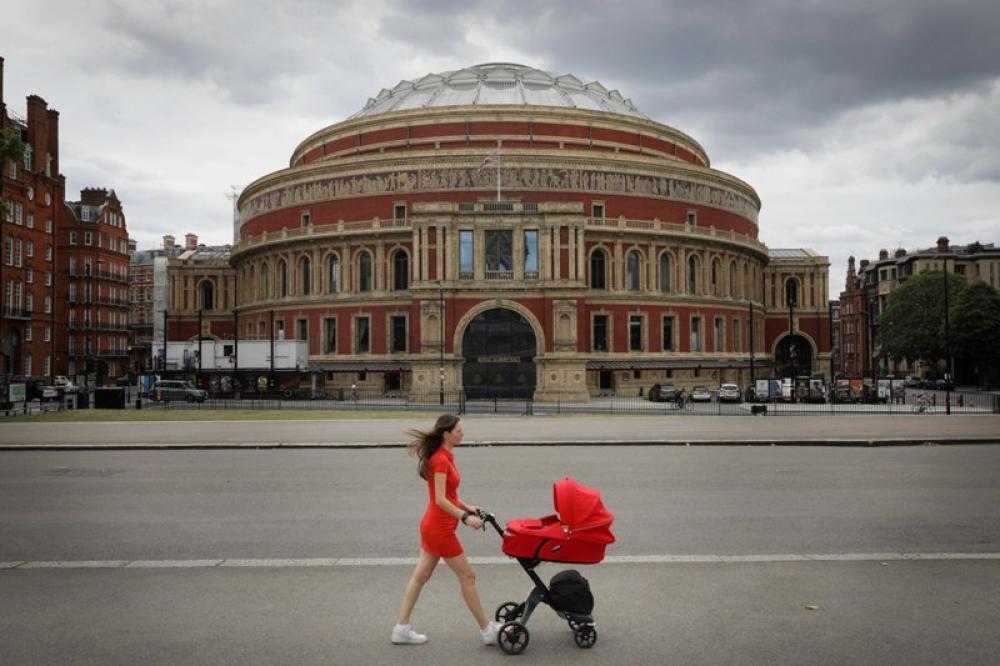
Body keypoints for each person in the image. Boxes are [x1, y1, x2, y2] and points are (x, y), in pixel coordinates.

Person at [391, 414, 501, 646]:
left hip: (434, 526)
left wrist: (467, 506)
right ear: (446, 434)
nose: (463, 434)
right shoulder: (440, 460)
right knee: (468, 576)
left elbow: (448, 495)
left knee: (420, 576)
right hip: (439, 529)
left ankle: (401, 629)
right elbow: (440, 500)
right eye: (459, 431)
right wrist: (465, 517)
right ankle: (487, 629)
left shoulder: (446, 455)